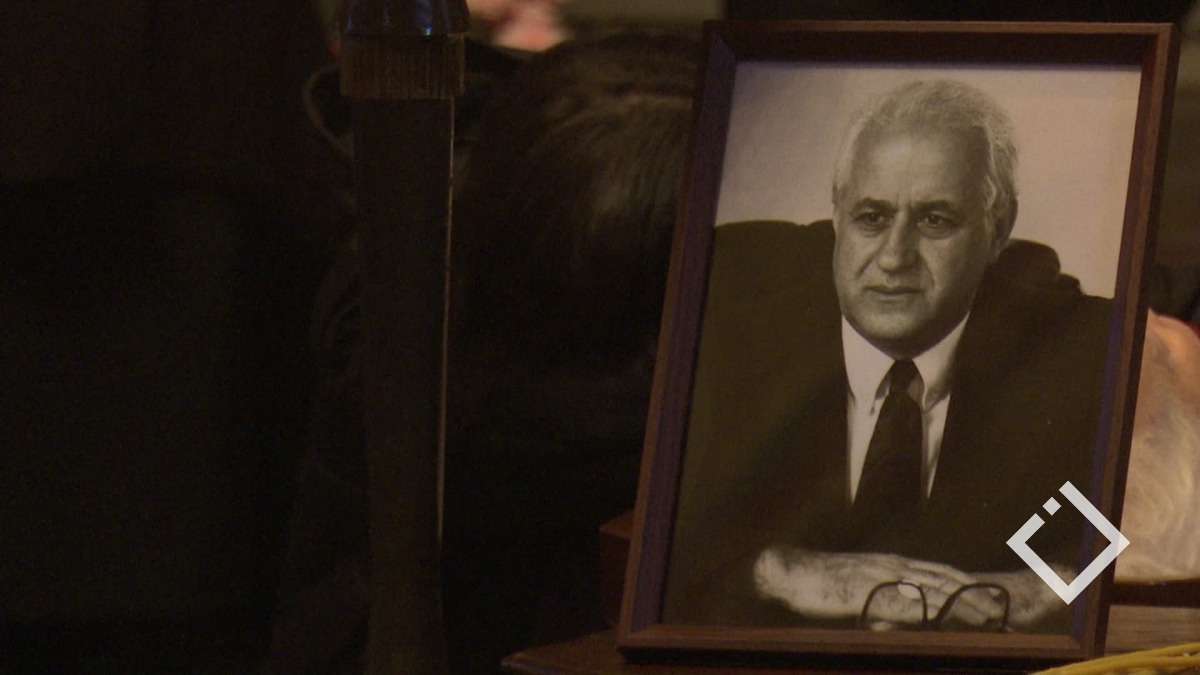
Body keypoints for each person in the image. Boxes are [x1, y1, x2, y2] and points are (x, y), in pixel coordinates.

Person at [663, 79, 1112, 632]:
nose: (895, 258)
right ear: (837, 213)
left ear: (998, 229)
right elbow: (665, 536)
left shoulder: (1080, 348)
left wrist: (1051, 585)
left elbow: (1112, 527)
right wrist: (775, 571)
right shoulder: (722, 333)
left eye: (934, 221)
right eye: (871, 218)